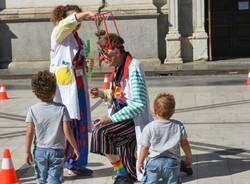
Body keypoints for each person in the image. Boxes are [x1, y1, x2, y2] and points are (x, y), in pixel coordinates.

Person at [90, 33, 153, 184]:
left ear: (117, 52)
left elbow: (139, 104)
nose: (105, 60)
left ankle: (121, 173)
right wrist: (102, 94)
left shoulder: (133, 66)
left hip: (133, 120)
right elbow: (119, 96)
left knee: (101, 133)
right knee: (134, 171)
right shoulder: (118, 68)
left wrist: (111, 119)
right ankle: (125, 171)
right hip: (123, 116)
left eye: (107, 56)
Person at [49, 5, 95, 175]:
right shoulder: (59, 32)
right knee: (68, 124)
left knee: (81, 124)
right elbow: (66, 24)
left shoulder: (76, 37)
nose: (77, 21)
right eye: (75, 17)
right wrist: (84, 14)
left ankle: (78, 163)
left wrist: (87, 64)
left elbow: (78, 60)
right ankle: (67, 162)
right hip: (66, 88)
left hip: (79, 85)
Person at [25, 70, 80, 184]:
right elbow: (67, 131)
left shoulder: (32, 109)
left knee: (41, 179)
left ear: (35, 92)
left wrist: (27, 151)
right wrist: (75, 147)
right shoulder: (62, 108)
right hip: (57, 151)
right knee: (54, 179)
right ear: (55, 91)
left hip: (39, 151)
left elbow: (29, 133)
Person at [137, 93, 193, 184]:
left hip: (153, 162)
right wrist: (189, 158)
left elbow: (144, 147)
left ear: (154, 111)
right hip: (172, 163)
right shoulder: (178, 125)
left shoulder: (149, 127)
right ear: (173, 111)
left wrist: (140, 162)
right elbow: (185, 143)